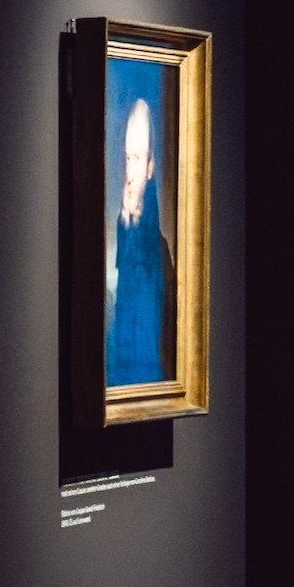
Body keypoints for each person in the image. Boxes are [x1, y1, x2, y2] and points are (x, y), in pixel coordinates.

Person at [105, 89, 173, 387]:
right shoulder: (120, 228)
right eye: (127, 158)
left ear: (150, 167)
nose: (129, 173)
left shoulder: (158, 249)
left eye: (138, 159)